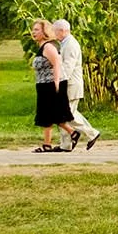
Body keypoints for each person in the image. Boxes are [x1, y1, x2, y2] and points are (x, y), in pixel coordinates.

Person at [29, 19, 78, 152]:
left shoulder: (48, 47)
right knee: (50, 115)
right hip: (44, 85)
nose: (34, 32)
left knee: (48, 115)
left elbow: (57, 63)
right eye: (33, 30)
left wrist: (56, 83)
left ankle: (48, 143)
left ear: (44, 32)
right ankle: (71, 133)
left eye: (37, 30)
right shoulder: (43, 46)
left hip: (50, 85)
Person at [51, 19, 100, 151]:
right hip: (69, 83)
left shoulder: (71, 45)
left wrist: (59, 82)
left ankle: (92, 133)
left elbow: (68, 66)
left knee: (66, 115)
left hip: (71, 84)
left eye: (54, 31)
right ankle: (66, 144)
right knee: (66, 114)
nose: (53, 33)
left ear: (62, 31)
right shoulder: (65, 44)